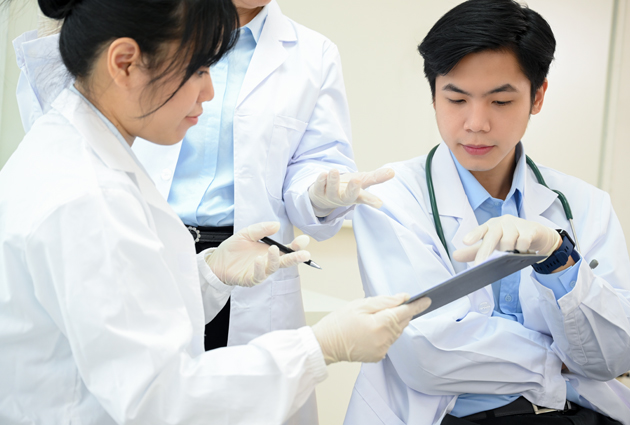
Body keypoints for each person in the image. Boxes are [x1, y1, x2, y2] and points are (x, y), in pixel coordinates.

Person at [0, 0, 432, 423]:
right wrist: (320, 347)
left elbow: (124, 311)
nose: (210, 92)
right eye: (199, 69)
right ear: (126, 63)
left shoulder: (72, 150)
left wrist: (208, 277)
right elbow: (162, 401)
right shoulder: (90, 199)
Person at [344, 1, 630, 424]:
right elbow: (426, 354)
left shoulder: (585, 204)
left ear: (537, 96)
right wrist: (562, 359)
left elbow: (613, 354)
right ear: (434, 95)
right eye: (457, 99)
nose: (476, 123)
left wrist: (559, 259)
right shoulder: (391, 196)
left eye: (500, 101)